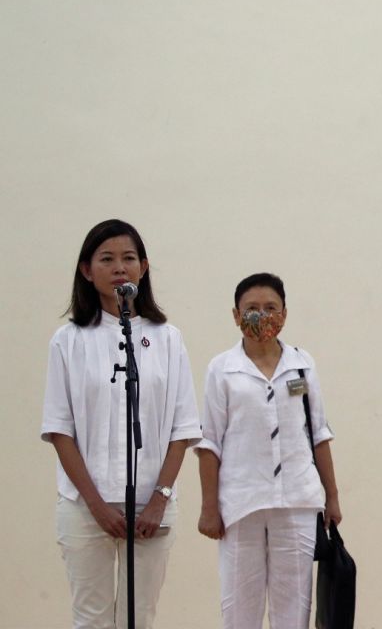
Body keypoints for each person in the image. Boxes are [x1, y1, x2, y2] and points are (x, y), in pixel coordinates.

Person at [41, 219, 202, 629]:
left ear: (143, 268)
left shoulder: (167, 338)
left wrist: (159, 499)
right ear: (86, 270)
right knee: (91, 618)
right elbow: (60, 430)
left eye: (129, 259)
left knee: (139, 618)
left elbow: (183, 429)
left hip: (152, 507)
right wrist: (96, 506)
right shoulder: (69, 339)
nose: (119, 268)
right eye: (106, 259)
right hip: (83, 506)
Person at [195, 273, 342, 629]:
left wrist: (332, 497)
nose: (262, 316)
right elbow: (209, 443)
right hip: (240, 504)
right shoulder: (222, 368)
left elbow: (318, 432)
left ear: (285, 314)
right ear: (236, 315)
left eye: (270, 308)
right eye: (252, 309)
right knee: (239, 609)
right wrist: (209, 507)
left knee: (294, 611)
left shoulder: (302, 364)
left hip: (299, 501)